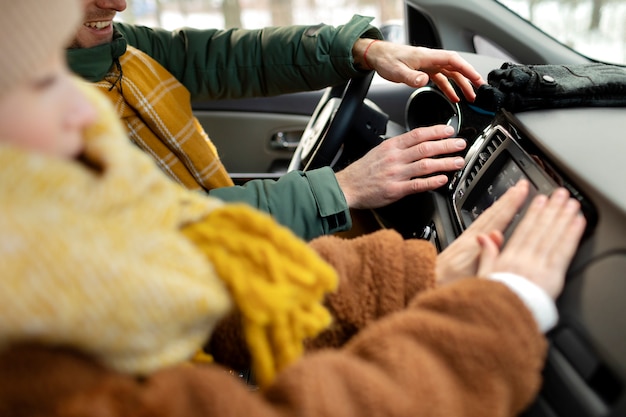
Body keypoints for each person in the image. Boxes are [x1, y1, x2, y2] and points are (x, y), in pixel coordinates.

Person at [1, 1, 588, 415]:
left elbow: (197, 272)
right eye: (35, 81)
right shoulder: (34, 375)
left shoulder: (57, 258)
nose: (87, 113)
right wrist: (497, 317)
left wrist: (421, 276)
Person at [67, 0, 486, 240]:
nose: (117, 3)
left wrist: (362, 51)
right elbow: (145, 230)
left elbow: (226, 57)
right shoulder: (27, 117)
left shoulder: (116, 52)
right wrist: (342, 188)